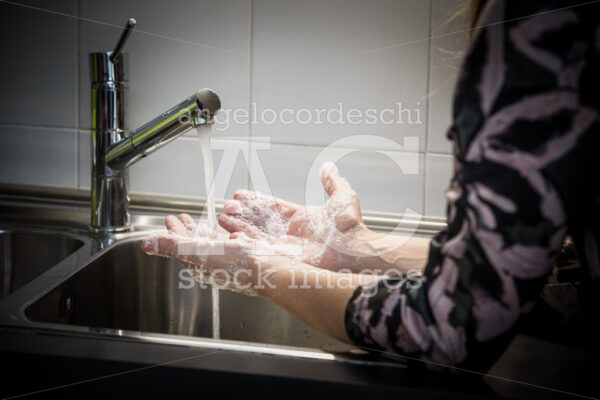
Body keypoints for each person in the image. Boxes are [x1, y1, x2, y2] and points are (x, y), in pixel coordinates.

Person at [142, 0, 599, 371]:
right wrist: (356, 248)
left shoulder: (538, 20)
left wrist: (262, 269)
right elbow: (558, 265)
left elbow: (449, 324)